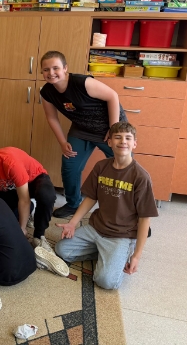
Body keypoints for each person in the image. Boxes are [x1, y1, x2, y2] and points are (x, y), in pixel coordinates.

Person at [55, 122, 158, 290]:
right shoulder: (101, 166)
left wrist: (137, 256)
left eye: (128, 138)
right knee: (62, 250)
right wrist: (72, 223)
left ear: (134, 144)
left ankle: (122, 251)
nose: (123, 141)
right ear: (109, 142)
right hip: (96, 228)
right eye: (117, 137)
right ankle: (106, 253)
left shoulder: (141, 176)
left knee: (106, 281)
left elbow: (145, 219)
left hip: (121, 235)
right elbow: (91, 198)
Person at [39, 50, 127, 219]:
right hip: (82, 129)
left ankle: (127, 210)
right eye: (46, 69)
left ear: (65, 68)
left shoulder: (82, 82)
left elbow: (113, 96)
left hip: (109, 127)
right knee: (70, 164)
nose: (51, 73)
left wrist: (114, 129)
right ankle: (73, 204)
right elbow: (52, 118)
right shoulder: (47, 92)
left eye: (56, 68)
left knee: (124, 167)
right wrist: (62, 142)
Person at [0, 143, 67, 277]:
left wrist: (22, 229)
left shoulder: (11, 164)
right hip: (8, 187)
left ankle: (39, 237)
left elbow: (24, 199)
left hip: (33, 180)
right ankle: (29, 211)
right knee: (6, 220)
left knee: (46, 196)